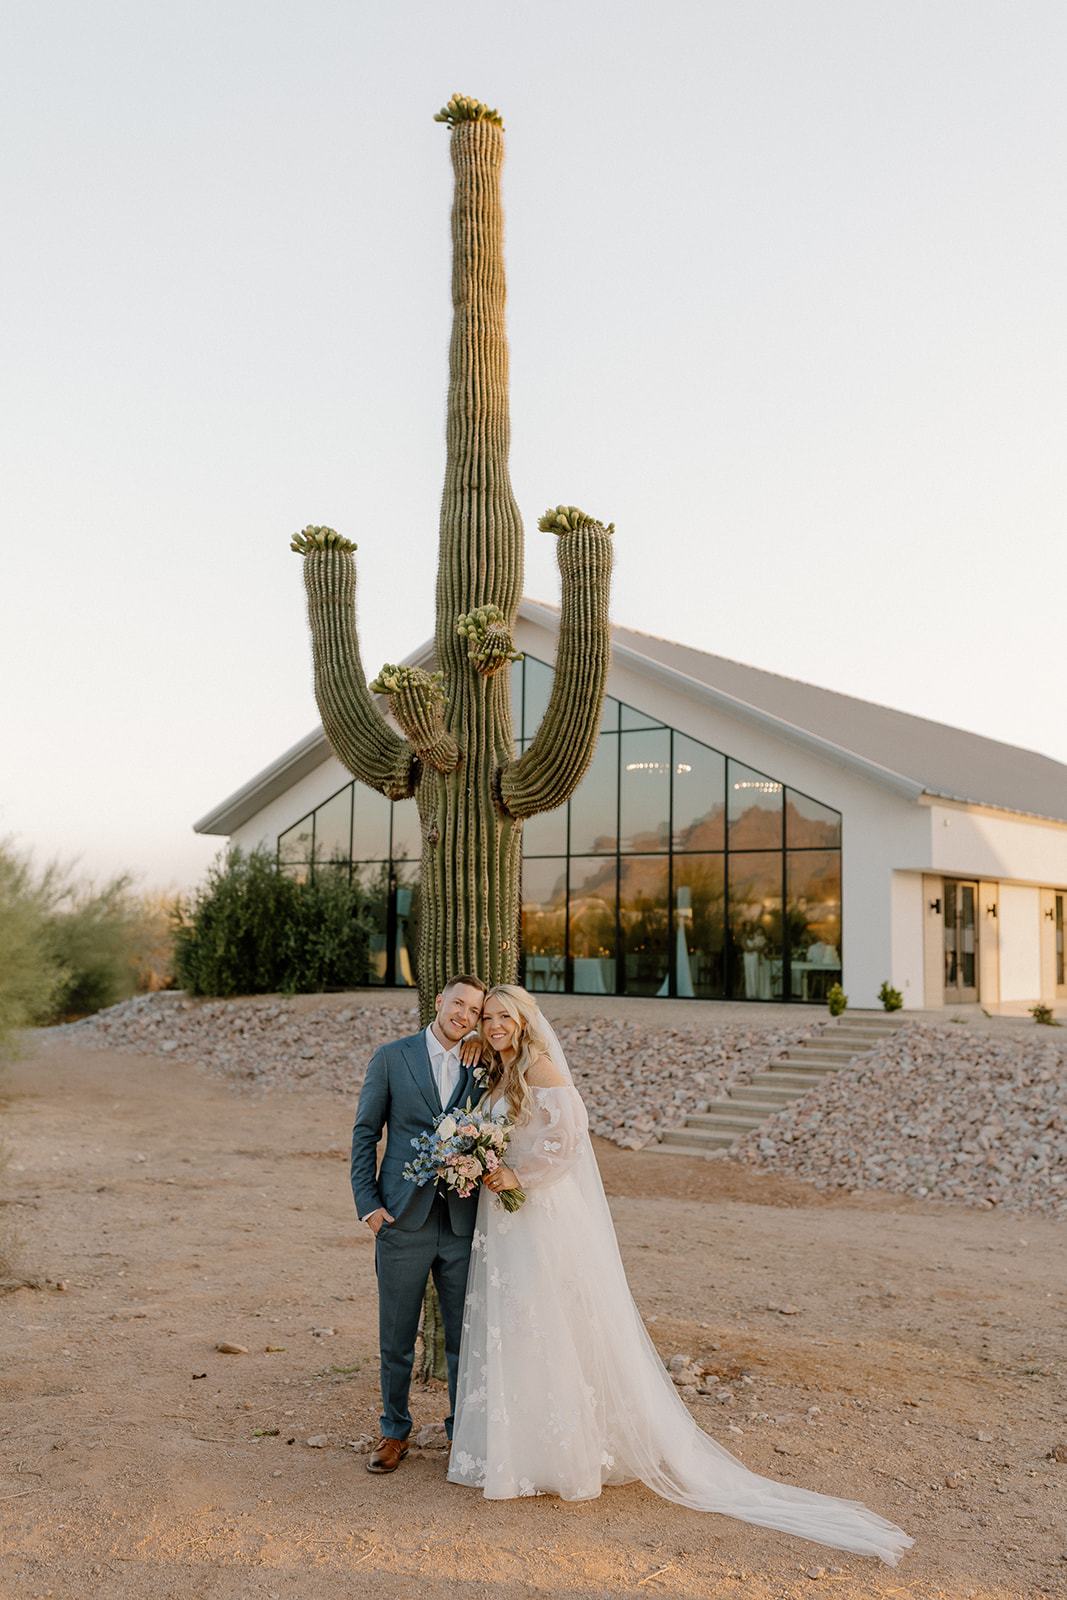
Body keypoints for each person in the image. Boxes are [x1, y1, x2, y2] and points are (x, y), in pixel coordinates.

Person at [447, 985, 913, 1569]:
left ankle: (559, 1458)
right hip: (506, 1218)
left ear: (523, 1020)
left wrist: (519, 1175)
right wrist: (472, 1063)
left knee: (546, 1322)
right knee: (516, 1326)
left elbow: (570, 1138)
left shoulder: (539, 1066)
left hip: (537, 1213)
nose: (492, 1025)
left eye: (501, 1016)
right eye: (486, 1017)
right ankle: (516, 1450)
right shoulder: (501, 1066)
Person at [351, 973, 487, 1473]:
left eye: (474, 1012)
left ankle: (462, 1431)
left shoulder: (481, 1064)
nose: (464, 1016)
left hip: (461, 1223)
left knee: (463, 1336)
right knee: (396, 1334)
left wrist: (480, 1044)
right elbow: (366, 1132)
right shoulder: (392, 1057)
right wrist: (369, 1207)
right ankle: (393, 1432)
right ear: (439, 1000)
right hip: (401, 1220)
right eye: (459, 1005)